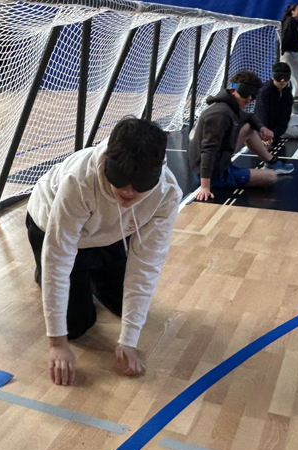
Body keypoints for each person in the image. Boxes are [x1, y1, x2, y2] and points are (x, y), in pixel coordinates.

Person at [26, 118, 182, 386]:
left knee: (129, 309)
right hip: (49, 225)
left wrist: (129, 341)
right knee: (75, 327)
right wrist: (56, 343)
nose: (128, 191)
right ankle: (65, 276)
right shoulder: (79, 180)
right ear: (108, 159)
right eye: (120, 178)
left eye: (141, 182)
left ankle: (89, 273)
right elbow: (58, 258)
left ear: (159, 170)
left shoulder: (166, 194)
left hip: (109, 234)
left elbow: (146, 264)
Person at [188, 70, 295, 203]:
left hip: (219, 160)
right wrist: (205, 187)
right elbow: (208, 150)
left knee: (249, 126)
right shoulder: (220, 114)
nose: (250, 98)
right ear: (233, 90)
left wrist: (262, 128)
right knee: (271, 177)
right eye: (246, 93)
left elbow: (249, 117)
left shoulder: (229, 105)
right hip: (213, 174)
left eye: (253, 94)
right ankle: (270, 169)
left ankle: (272, 162)